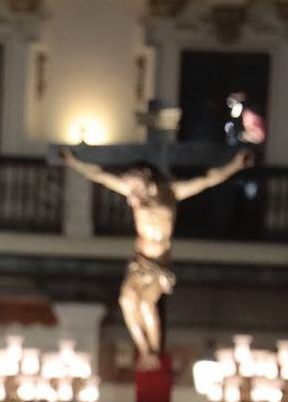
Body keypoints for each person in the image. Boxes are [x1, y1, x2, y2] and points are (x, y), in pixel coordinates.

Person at [61, 147, 253, 365]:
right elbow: (100, 176)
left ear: (145, 179)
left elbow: (208, 180)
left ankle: (153, 350)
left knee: (145, 305)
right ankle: (145, 351)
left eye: (135, 189)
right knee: (126, 301)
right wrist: (73, 163)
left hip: (159, 262)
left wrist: (235, 165)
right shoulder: (132, 192)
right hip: (140, 259)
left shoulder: (172, 192)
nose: (131, 196)